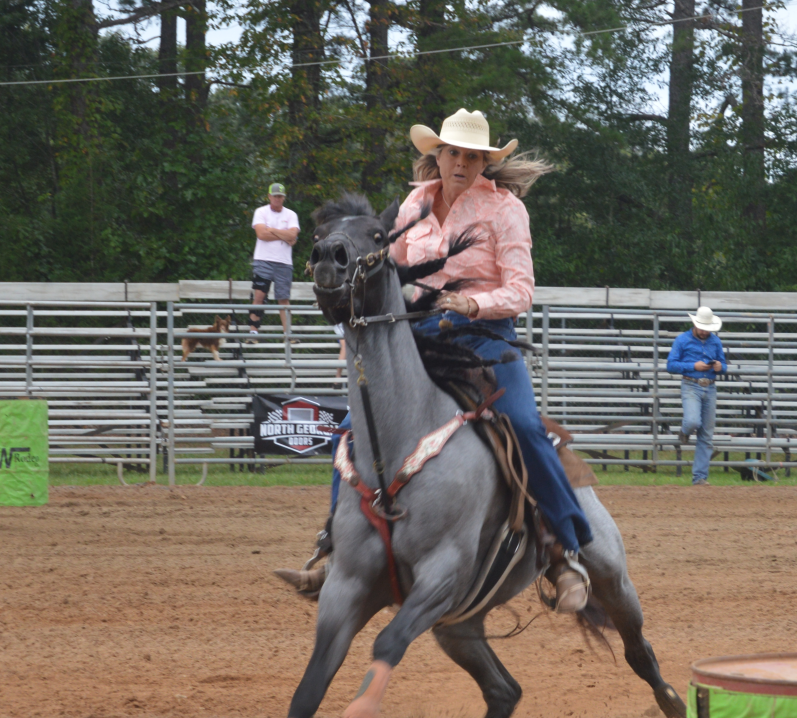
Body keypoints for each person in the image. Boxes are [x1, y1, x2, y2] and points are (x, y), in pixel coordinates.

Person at [280, 108, 591, 613]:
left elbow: (521, 290)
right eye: (454, 153)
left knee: (525, 427)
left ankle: (565, 551)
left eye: (473, 156)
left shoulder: (506, 209)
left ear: (485, 162)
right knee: (351, 427)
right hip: (417, 333)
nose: (462, 163)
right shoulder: (413, 203)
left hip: (486, 337)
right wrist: (354, 338)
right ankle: (334, 546)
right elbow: (384, 275)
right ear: (438, 156)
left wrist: (473, 303)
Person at [666, 307, 727, 485]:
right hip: (691, 384)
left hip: (710, 386)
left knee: (706, 435)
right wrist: (694, 366)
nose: (704, 331)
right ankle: (685, 431)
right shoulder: (682, 340)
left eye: (706, 328)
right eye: (701, 327)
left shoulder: (715, 342)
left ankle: (700, 477)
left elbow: (723, 364)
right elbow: (670, 365)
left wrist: (719, 367)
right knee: (693, 421)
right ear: (695, 324)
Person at [250, 183, 300, 341]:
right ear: (269, 196)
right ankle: (252, 332)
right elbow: (261, 235)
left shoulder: (291, 214)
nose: (277, 199)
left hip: (284, 263)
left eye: (280, 196)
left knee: (283, 298)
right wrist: (285, 235)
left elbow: (293, 235)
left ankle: (288, 334)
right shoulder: (261, 212)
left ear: (284, 197)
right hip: (263, 260)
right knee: (259, 295)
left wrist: (271, 229)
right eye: (275, 196)